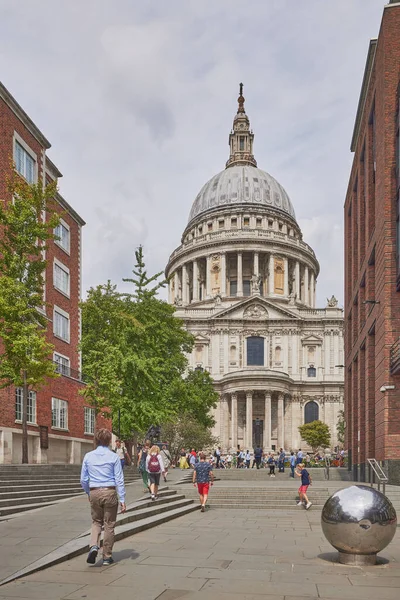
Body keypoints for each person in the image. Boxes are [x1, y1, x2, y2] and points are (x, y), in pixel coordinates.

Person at [80, 428, 126, 566]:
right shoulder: (114, 457)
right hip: (109, 491)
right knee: (109, 524)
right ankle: (106, 556)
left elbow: (83, 479)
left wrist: (88, 492)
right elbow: (119, 479)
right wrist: (122, 499)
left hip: (94, 490)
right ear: (109, 441)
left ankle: (93, 545)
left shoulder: (88, 456)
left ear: (96, 440)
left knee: (96, 522)